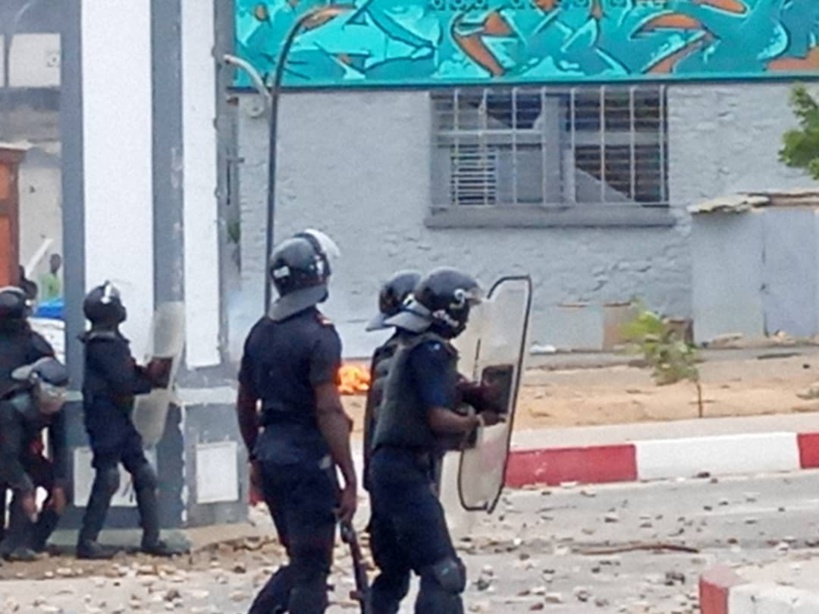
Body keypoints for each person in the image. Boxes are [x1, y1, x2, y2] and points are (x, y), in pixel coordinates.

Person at [368, 267, 505, 614]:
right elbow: (437, 418)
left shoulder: (414, 347)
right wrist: (475, 421)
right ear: (452, 309)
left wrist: (472, 392)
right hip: (404, 470)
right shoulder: (430, 350)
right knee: (444, 572)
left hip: (391, 471)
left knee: (396, 572)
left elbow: (438, 392)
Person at [236, 229, 357, 614]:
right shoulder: (320, 335)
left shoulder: (260, 332)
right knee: (312, 571)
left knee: (299, 560)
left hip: (272, 453)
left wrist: (256, 454)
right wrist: (350, 477)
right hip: (307, 458)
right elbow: (329, 410)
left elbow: (244, 402)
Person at [75, 282, 173, 560]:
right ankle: (88, 541)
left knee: (143, 474)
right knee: (108, 477)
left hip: (117, 417)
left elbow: (125, 376)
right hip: (105, 419)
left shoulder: (108, 341)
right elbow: (123, 381)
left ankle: (151, 538)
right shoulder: (103, 344)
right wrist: (151, 379)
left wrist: (147, 375)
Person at [0, 286, 59, 557]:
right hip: (19, 422)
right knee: (23, 477)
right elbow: (53, 374)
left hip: (18, 422)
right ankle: (18, 544)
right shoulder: (34, 343)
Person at [0, 356, 70, 561]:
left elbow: (60, 445)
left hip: (27, 454)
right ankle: (11, 545)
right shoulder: (12, 407)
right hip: (6, 455)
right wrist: (25, 489)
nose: (55, 399)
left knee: (62, 491)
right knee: (23, 489)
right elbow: (8, 454)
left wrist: (58, 482)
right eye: (50, 393)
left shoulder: (56, 409)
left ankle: (34, 542)